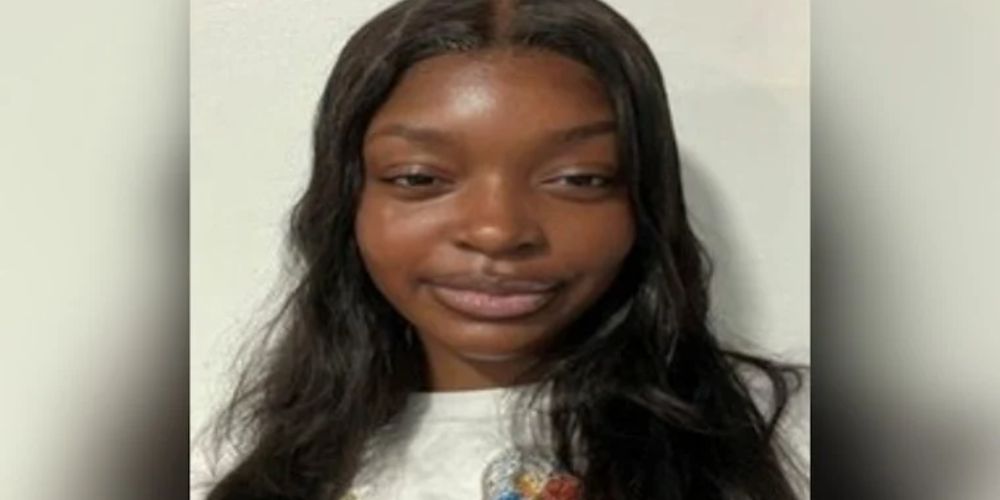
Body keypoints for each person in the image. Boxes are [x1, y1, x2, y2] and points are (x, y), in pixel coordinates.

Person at [200, 0, 806, 499]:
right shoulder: (236, 467)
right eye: (418, 177)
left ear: (644, 202)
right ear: (346, 203)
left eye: (579, 178)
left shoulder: (786, 436)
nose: (498, 230)